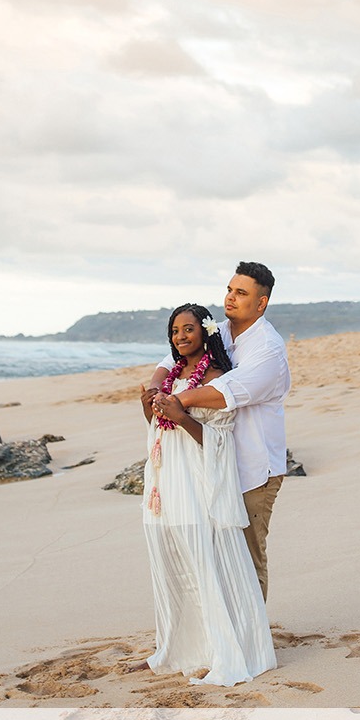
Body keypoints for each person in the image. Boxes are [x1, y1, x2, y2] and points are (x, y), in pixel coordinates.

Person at [137, 302, 276, 686]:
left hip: (196, 481)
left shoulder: (215, 377)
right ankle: (176, 648)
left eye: (188, 329)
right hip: (166, 479)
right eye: (175, 331)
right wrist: (147, 404)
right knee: (171, 560)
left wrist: (182, 416)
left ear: (205, 332)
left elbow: (219, 440)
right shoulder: (171, 376)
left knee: (203, 558)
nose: (181, 336)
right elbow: (155, 425)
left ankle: (220, 650)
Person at [148, 261, 290, 601]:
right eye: (229, 289)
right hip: (214, 465)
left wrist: (177, 400)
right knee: (218, 557)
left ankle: (253, 648)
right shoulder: (219, 332)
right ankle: (225, 639)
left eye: (241, 293)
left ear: (261, 303)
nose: (230, 298)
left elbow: (228, 391)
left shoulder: (268, 348)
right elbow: (172, 360)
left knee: (247, 558)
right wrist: (156, 389)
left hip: (253, 469)